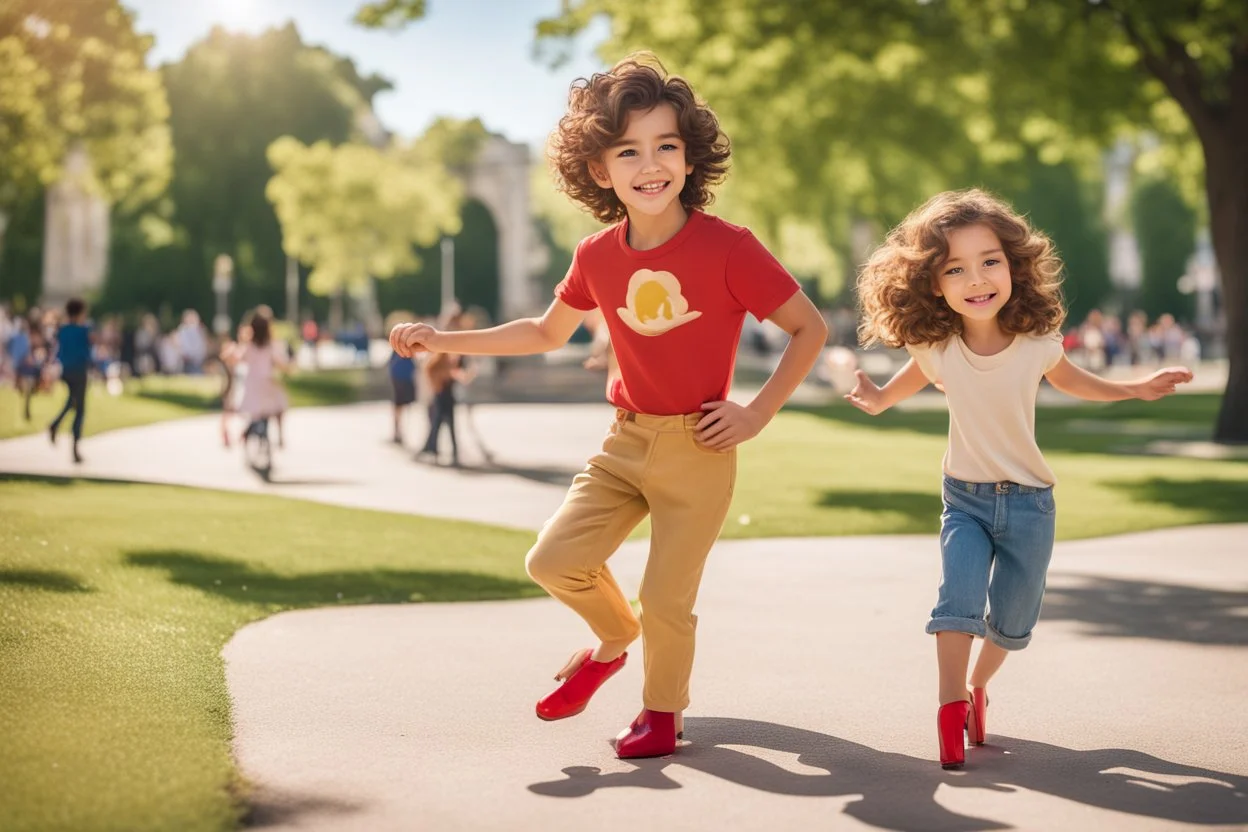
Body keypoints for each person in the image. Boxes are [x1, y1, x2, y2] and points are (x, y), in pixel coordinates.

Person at [390, 53, 827, 759]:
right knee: (552, 560)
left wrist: (757, 413)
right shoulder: (595, 255)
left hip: (701, 448)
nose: (649, 164)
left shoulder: (730, 248)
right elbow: (543, 331)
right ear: (601, 170)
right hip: (624, 443)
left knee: (667, 600)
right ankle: (613, 641)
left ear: (689, 160)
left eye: (666, 147)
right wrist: (443, 337)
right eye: (629, 151)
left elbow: (810, 327)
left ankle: (661, 715)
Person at [846, 189, 1193, 769]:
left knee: (1010, 624)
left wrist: (1135, 387)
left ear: (1012, 266)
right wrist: (876, 398)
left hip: (1031, 506)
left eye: (989, 261)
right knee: (956, 602)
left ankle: (978, 688)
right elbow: (895, 390)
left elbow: (1077, 382)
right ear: (934, 283)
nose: (976, 278)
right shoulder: (936, 347)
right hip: (965, 500)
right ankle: (949, 706)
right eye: (955, 268)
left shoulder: (1036, 344)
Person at [230, 309, 289, 463]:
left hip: (252, 386)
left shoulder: (249, 346)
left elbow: (236, 358)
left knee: (258, 411)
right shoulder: (271, 345)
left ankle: (250, 430)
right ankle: (280, 435)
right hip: (267, 384)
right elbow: (282, 363)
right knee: (279, 406)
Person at [48, 297, 94, 463]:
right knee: (79, 408)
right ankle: (75, 448)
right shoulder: (83, 330)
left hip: (65, 370)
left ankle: (55, 424)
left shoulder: (62, 330)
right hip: (79, 371)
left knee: (71, 401)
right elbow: (86, 352)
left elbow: (57, 349)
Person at [388, 346, 418, 445]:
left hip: (403, 378)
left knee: (400, 407)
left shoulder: (405, 348)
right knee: (399, 407)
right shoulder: (400, 347)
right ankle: (397, 431)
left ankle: (399, 431)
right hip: (401, 379)